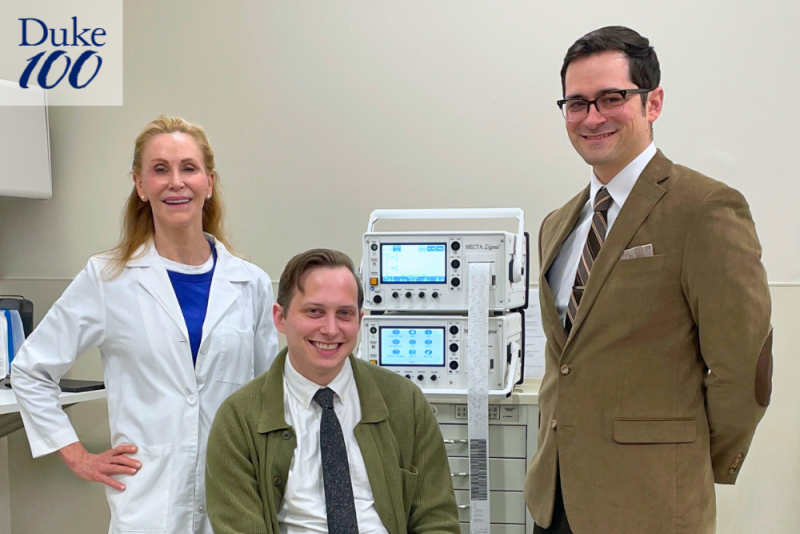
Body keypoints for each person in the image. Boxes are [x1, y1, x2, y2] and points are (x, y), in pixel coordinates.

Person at [523, 27, 773, 534]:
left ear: (652, 102)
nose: (591, 117)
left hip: (652, 503)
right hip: (556, 499)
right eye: (576, 103)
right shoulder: (557, 224)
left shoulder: (704, 209)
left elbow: (742, 368)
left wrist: (684, 459)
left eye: (611, 98)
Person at [11, 115, 279, 534]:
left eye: (188, 168)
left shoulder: (251, 284)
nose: (176, 182)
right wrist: (78, 455)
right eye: (160, 169)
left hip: (233, 498)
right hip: (148, 502)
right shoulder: (107, 279)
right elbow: (30, 371)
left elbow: (269, 396)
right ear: (140, 185)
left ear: (209, 182)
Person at [205, 249, 460, 534]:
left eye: (344, 314)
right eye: (314, 311)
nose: (330, 329)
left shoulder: (404, 402)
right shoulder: (238, 419)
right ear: (280, 317)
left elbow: (437, 521)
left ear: (360, 320)